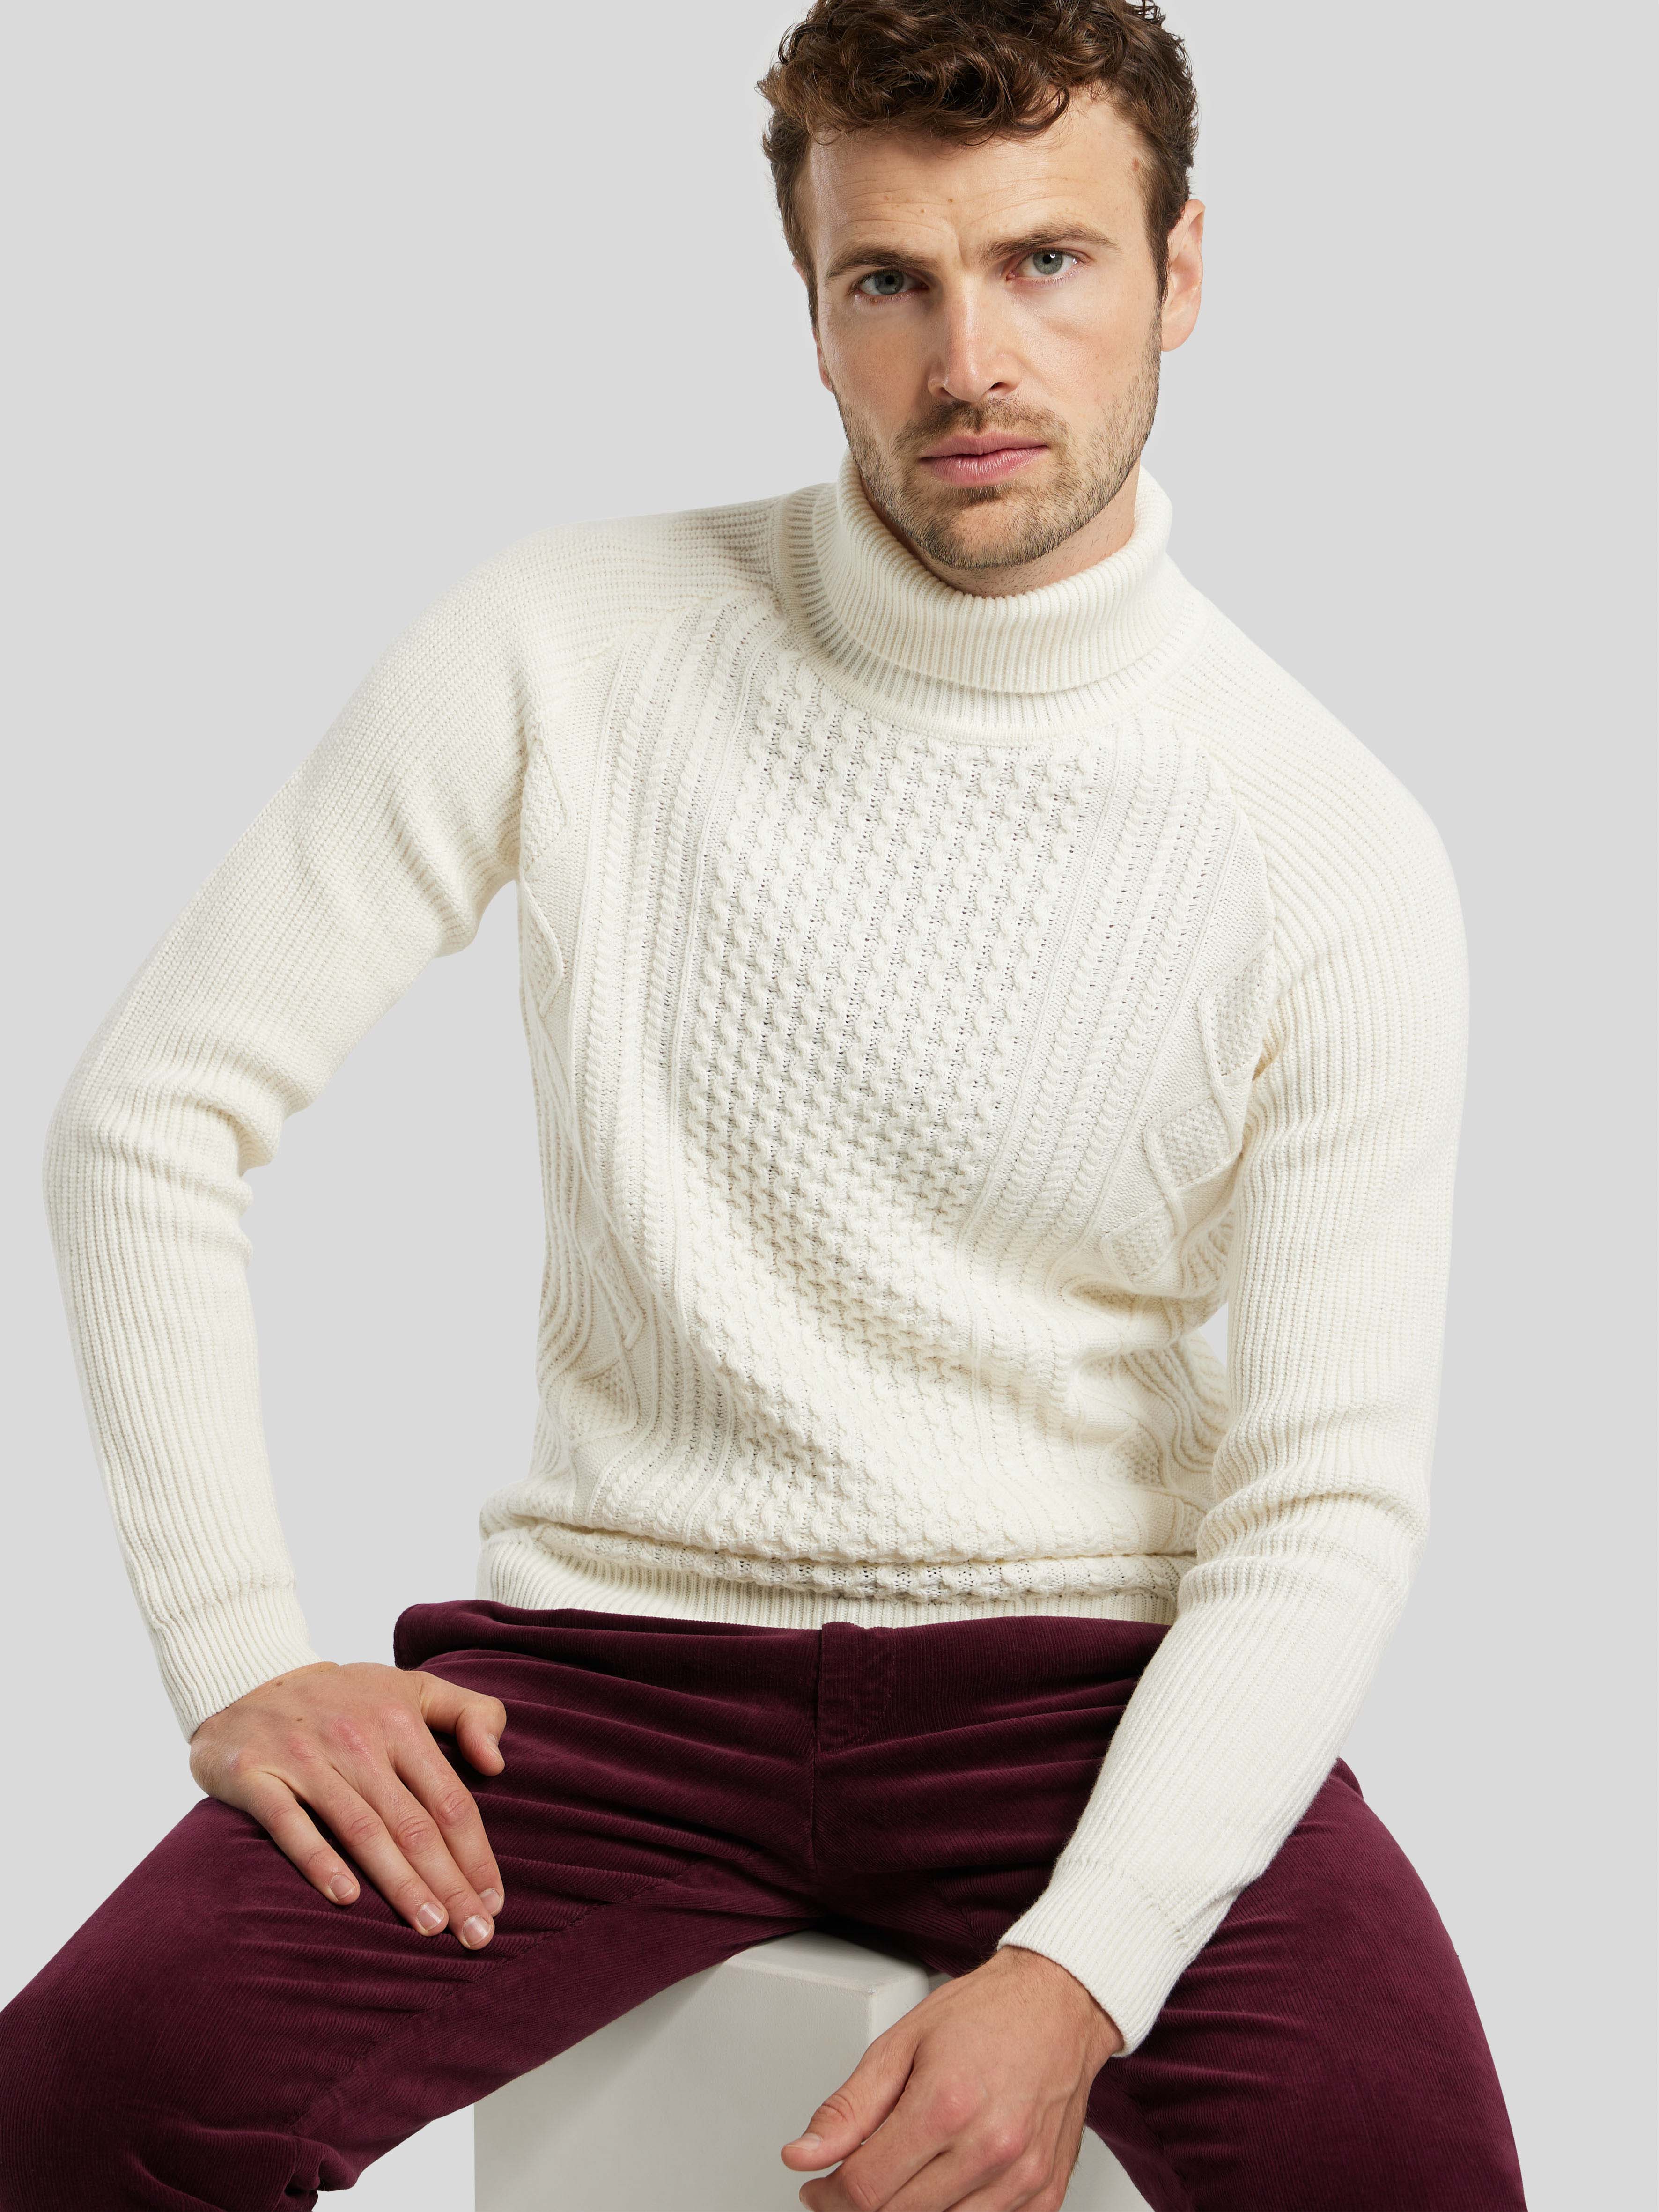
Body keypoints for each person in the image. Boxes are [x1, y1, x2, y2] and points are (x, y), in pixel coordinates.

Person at [0, 2, 1528, 2207]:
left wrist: (1077, 1968)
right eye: (889, 279)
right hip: (603, 1685)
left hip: (1083, 1687)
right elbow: (148, 1114)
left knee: (1412, 2174)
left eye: (1046, 263)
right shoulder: (565, 639)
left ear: (1180, 271)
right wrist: (240, 1646)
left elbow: (1323, 1502)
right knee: (68, 2106)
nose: (969, 361)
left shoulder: (1327, 843)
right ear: (812, 308)